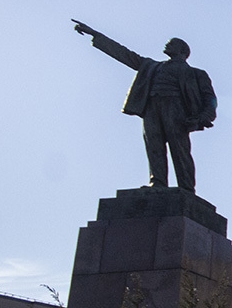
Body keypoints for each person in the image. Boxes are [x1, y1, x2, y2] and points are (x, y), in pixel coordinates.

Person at [73, 21, 217, 193]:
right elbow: (125, 55)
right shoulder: (151, 66)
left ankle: (186, 188)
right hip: (151, 107)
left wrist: (204, 117)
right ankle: (158, 181)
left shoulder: (196, 73)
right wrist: (95, 34)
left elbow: (210, 98)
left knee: (180, 149)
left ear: (182, 51)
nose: (167, 44)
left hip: (176, 108)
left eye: (172, 43)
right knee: (154, 146)